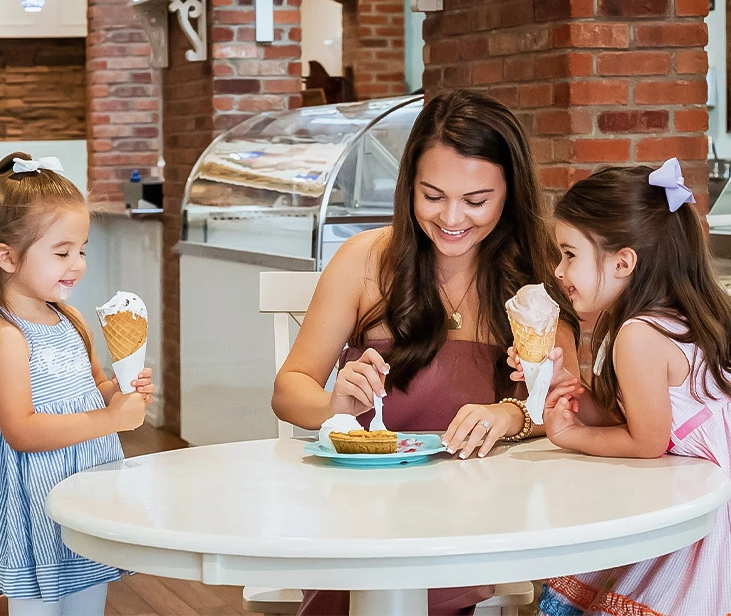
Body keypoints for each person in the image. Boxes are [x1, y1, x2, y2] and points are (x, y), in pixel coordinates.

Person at [272, 89, 581, 616]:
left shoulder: (537, 280)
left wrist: (509, 415)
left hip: (482, 511)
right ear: (408, 186)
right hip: (366, 508)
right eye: (431, 196)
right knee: (365, 573)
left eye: (476, 200)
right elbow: (288, 389)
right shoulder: (367, 260)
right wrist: (334, 406)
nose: (451, 218)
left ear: (511, 192)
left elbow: (564, 405)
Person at [515, 160, 731, 616]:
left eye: (570, 254)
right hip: (691, 491)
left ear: (623, 262)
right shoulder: (671, 318)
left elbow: (648, 440)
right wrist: (566, 388)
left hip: (699, 515)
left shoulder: (639, 335)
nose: (558, 270)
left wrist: (572, 435)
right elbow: (636, 417)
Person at [0, 153, 155, 616]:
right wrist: (109, 419)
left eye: (82, 250)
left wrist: (121, 393)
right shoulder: (4, 335)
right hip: (35, 497)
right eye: (62, 252)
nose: (77, 264)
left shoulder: (72, 319)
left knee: (87, 593)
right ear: (6, 256)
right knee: (39, 603)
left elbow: (96, 384)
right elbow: (21, 431)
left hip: (86, 483)